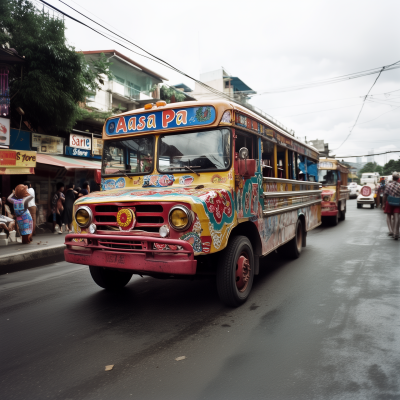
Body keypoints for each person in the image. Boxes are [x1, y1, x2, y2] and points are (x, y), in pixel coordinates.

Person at [383, 172, 400, 240]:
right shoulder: (399, 185)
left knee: (388, 216)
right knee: (397, 217)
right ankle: (396, 233)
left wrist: (384, 203)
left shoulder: (388, 185)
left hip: (389, 202)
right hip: (398, 203)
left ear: (392, 178)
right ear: (398, 178)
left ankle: (391, 231)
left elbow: (385, 194)